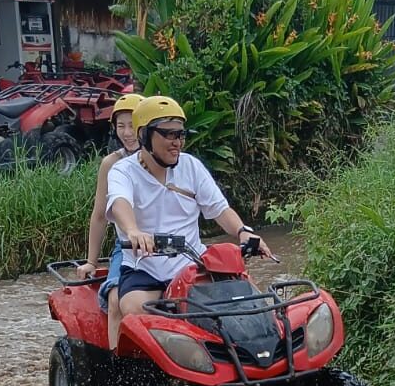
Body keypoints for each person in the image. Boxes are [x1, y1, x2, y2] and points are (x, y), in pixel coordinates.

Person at [106, 95, 272, 323]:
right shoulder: (122, 171)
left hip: (193, 263)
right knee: (134, 308)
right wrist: (133, 231)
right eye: (169, 134)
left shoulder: (191, 166)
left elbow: (219, 209)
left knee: (251, 299)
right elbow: (119, 202)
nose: (177, 142)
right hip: (144, 269)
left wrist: (243, 231)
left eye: (181, 135)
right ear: (144, 135)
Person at [75, 92, 143, 348]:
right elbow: (100, 214)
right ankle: (118, 371)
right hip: (126, 246)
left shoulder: (164, 158)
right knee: (116, 299)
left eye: (133, 125)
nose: (128, 133)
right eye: (121, 126)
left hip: (167, 244)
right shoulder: (111, 163)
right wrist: (91, 261)